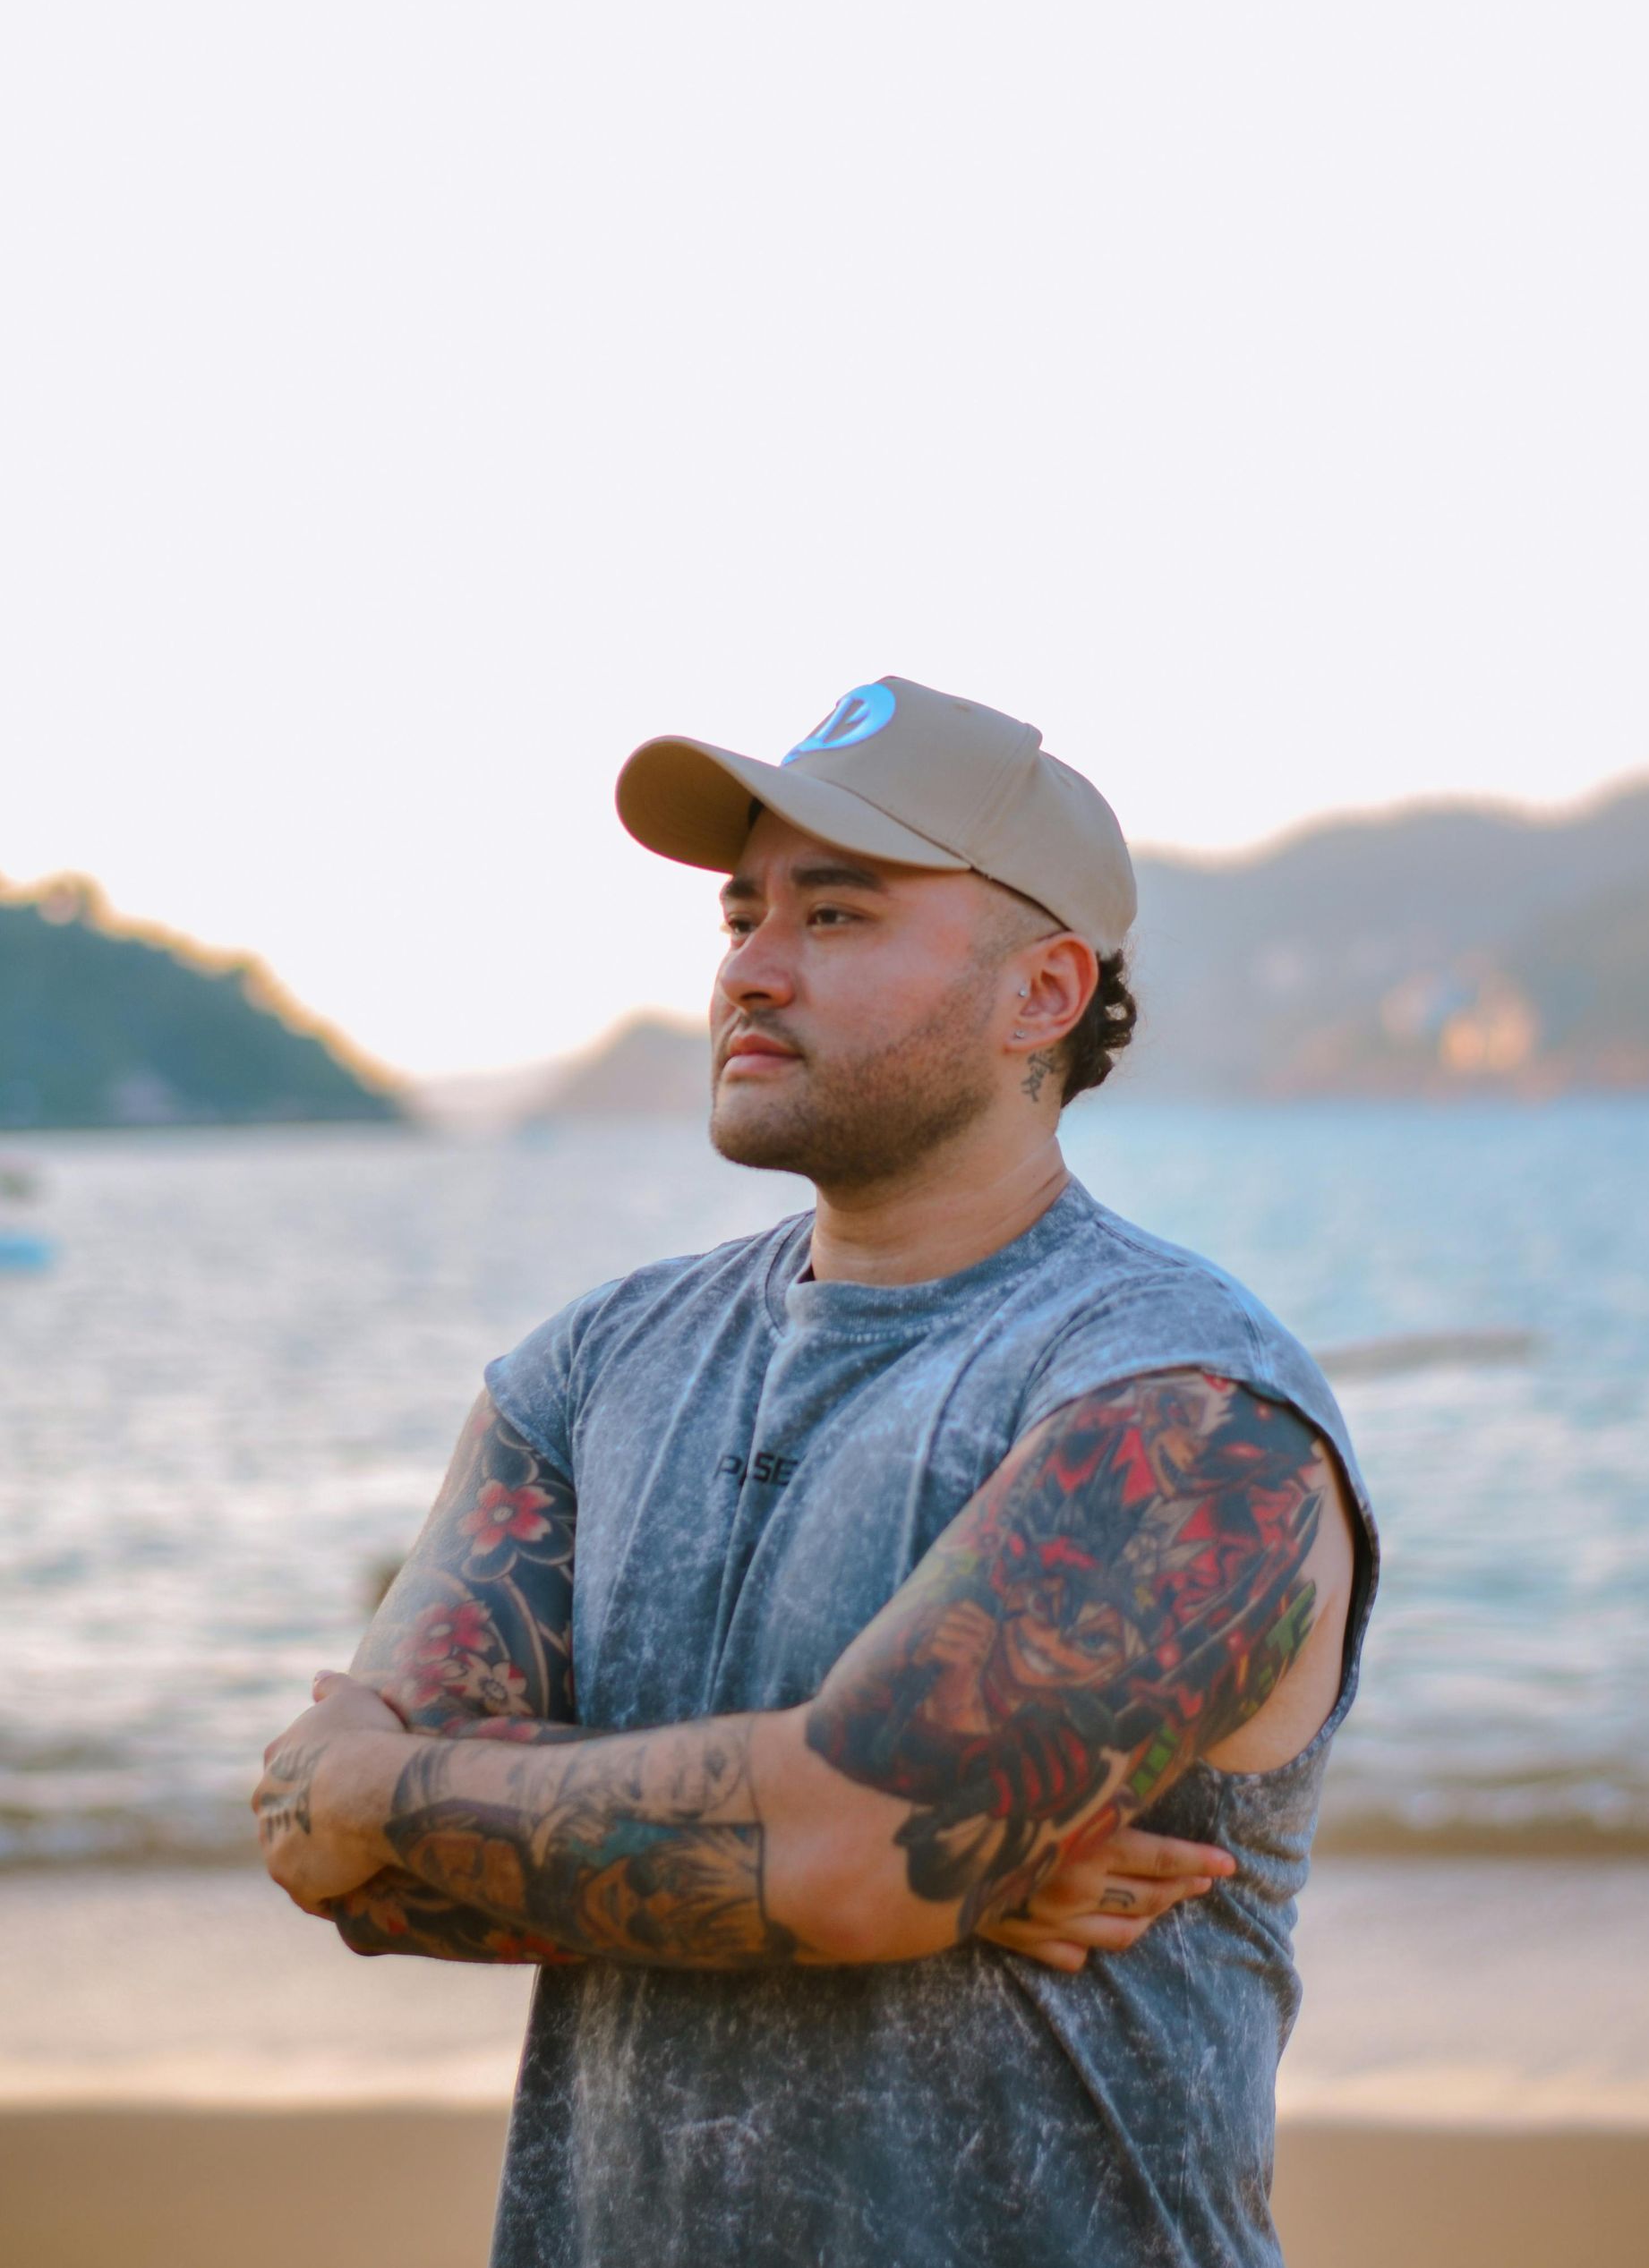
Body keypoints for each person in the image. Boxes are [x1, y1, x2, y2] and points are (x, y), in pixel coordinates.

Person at [256, 674, 1378, 2268]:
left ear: (1043, 991)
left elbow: (845, 1852)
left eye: (837, 915)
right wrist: (894, 1858)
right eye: (742, 913)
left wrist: (395, 1778)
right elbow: (343, 1874)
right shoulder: (589, 1367)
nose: (751, 970)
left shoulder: (1185, 1406)